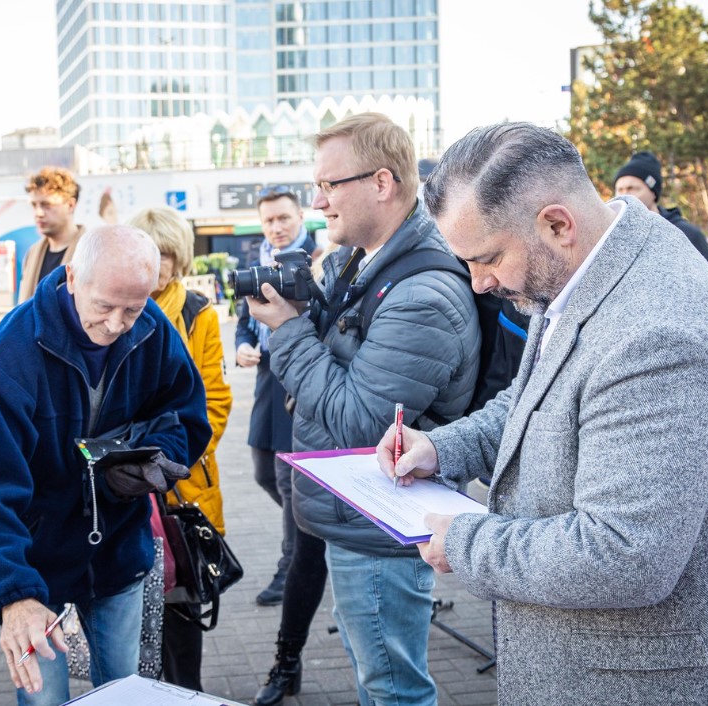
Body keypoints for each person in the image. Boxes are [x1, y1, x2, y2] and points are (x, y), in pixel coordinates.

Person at [386, 122, 708, 704]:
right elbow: (538, 397)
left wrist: (465, 543)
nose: (478, 283)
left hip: (650, 682)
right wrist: (443, 448)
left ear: (557, 223)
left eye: (486, 259)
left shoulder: (660, 337)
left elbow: (623, 554)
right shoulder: (583, 265)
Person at [247, 113, 480, 706]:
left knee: (392, 691)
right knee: (377, 678)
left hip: (382, 528)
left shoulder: (421, 292)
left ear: (382, 183)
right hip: (357, 513)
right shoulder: (363, 262)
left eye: (330, 185)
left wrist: (288, 333)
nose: (319, 201)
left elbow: (358, 421)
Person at [0, 225, 212, 706]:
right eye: (105, 306)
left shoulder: (152, 327)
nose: (116, 324)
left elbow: (187, 415)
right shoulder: (14, 351)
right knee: (46, 701)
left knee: (122, 694)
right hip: (36, 560)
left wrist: (152, 459)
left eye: (133, 308)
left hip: (118, 550)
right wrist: (13, 593)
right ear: (71, 277)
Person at [128, 206, 232, 691]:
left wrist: (172, 459)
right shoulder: (116, 305)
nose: (161, 264)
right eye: (152, 252)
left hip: (184, 486)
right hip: (126, 489)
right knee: (133, 608)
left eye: (168, 253)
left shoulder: (196, 312)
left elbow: (215, 399)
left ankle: (187, 693)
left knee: (184, 608)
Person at [234, 186, 321, 607]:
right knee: (262, 474)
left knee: (289, 483)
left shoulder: (321, 261)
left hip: (302, 380)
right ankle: (311, 539)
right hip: (267, 379)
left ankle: (292, 565)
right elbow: (242, 321)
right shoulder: (258, 262)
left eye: (283, 218)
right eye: (268, 220)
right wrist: (241, 345)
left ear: (299, 216)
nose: (276, 227)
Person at [614, 151, 708, 268]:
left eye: (632, 188)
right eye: (620, 190)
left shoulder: (688, 235)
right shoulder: (616, 239)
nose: (625, 195)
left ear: (653, 192)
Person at [19, 166, 84, 302]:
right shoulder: (32, 253)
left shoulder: (91, 252)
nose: (38, 213)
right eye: (34, 205)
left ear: (70, 205)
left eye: (46, 204)